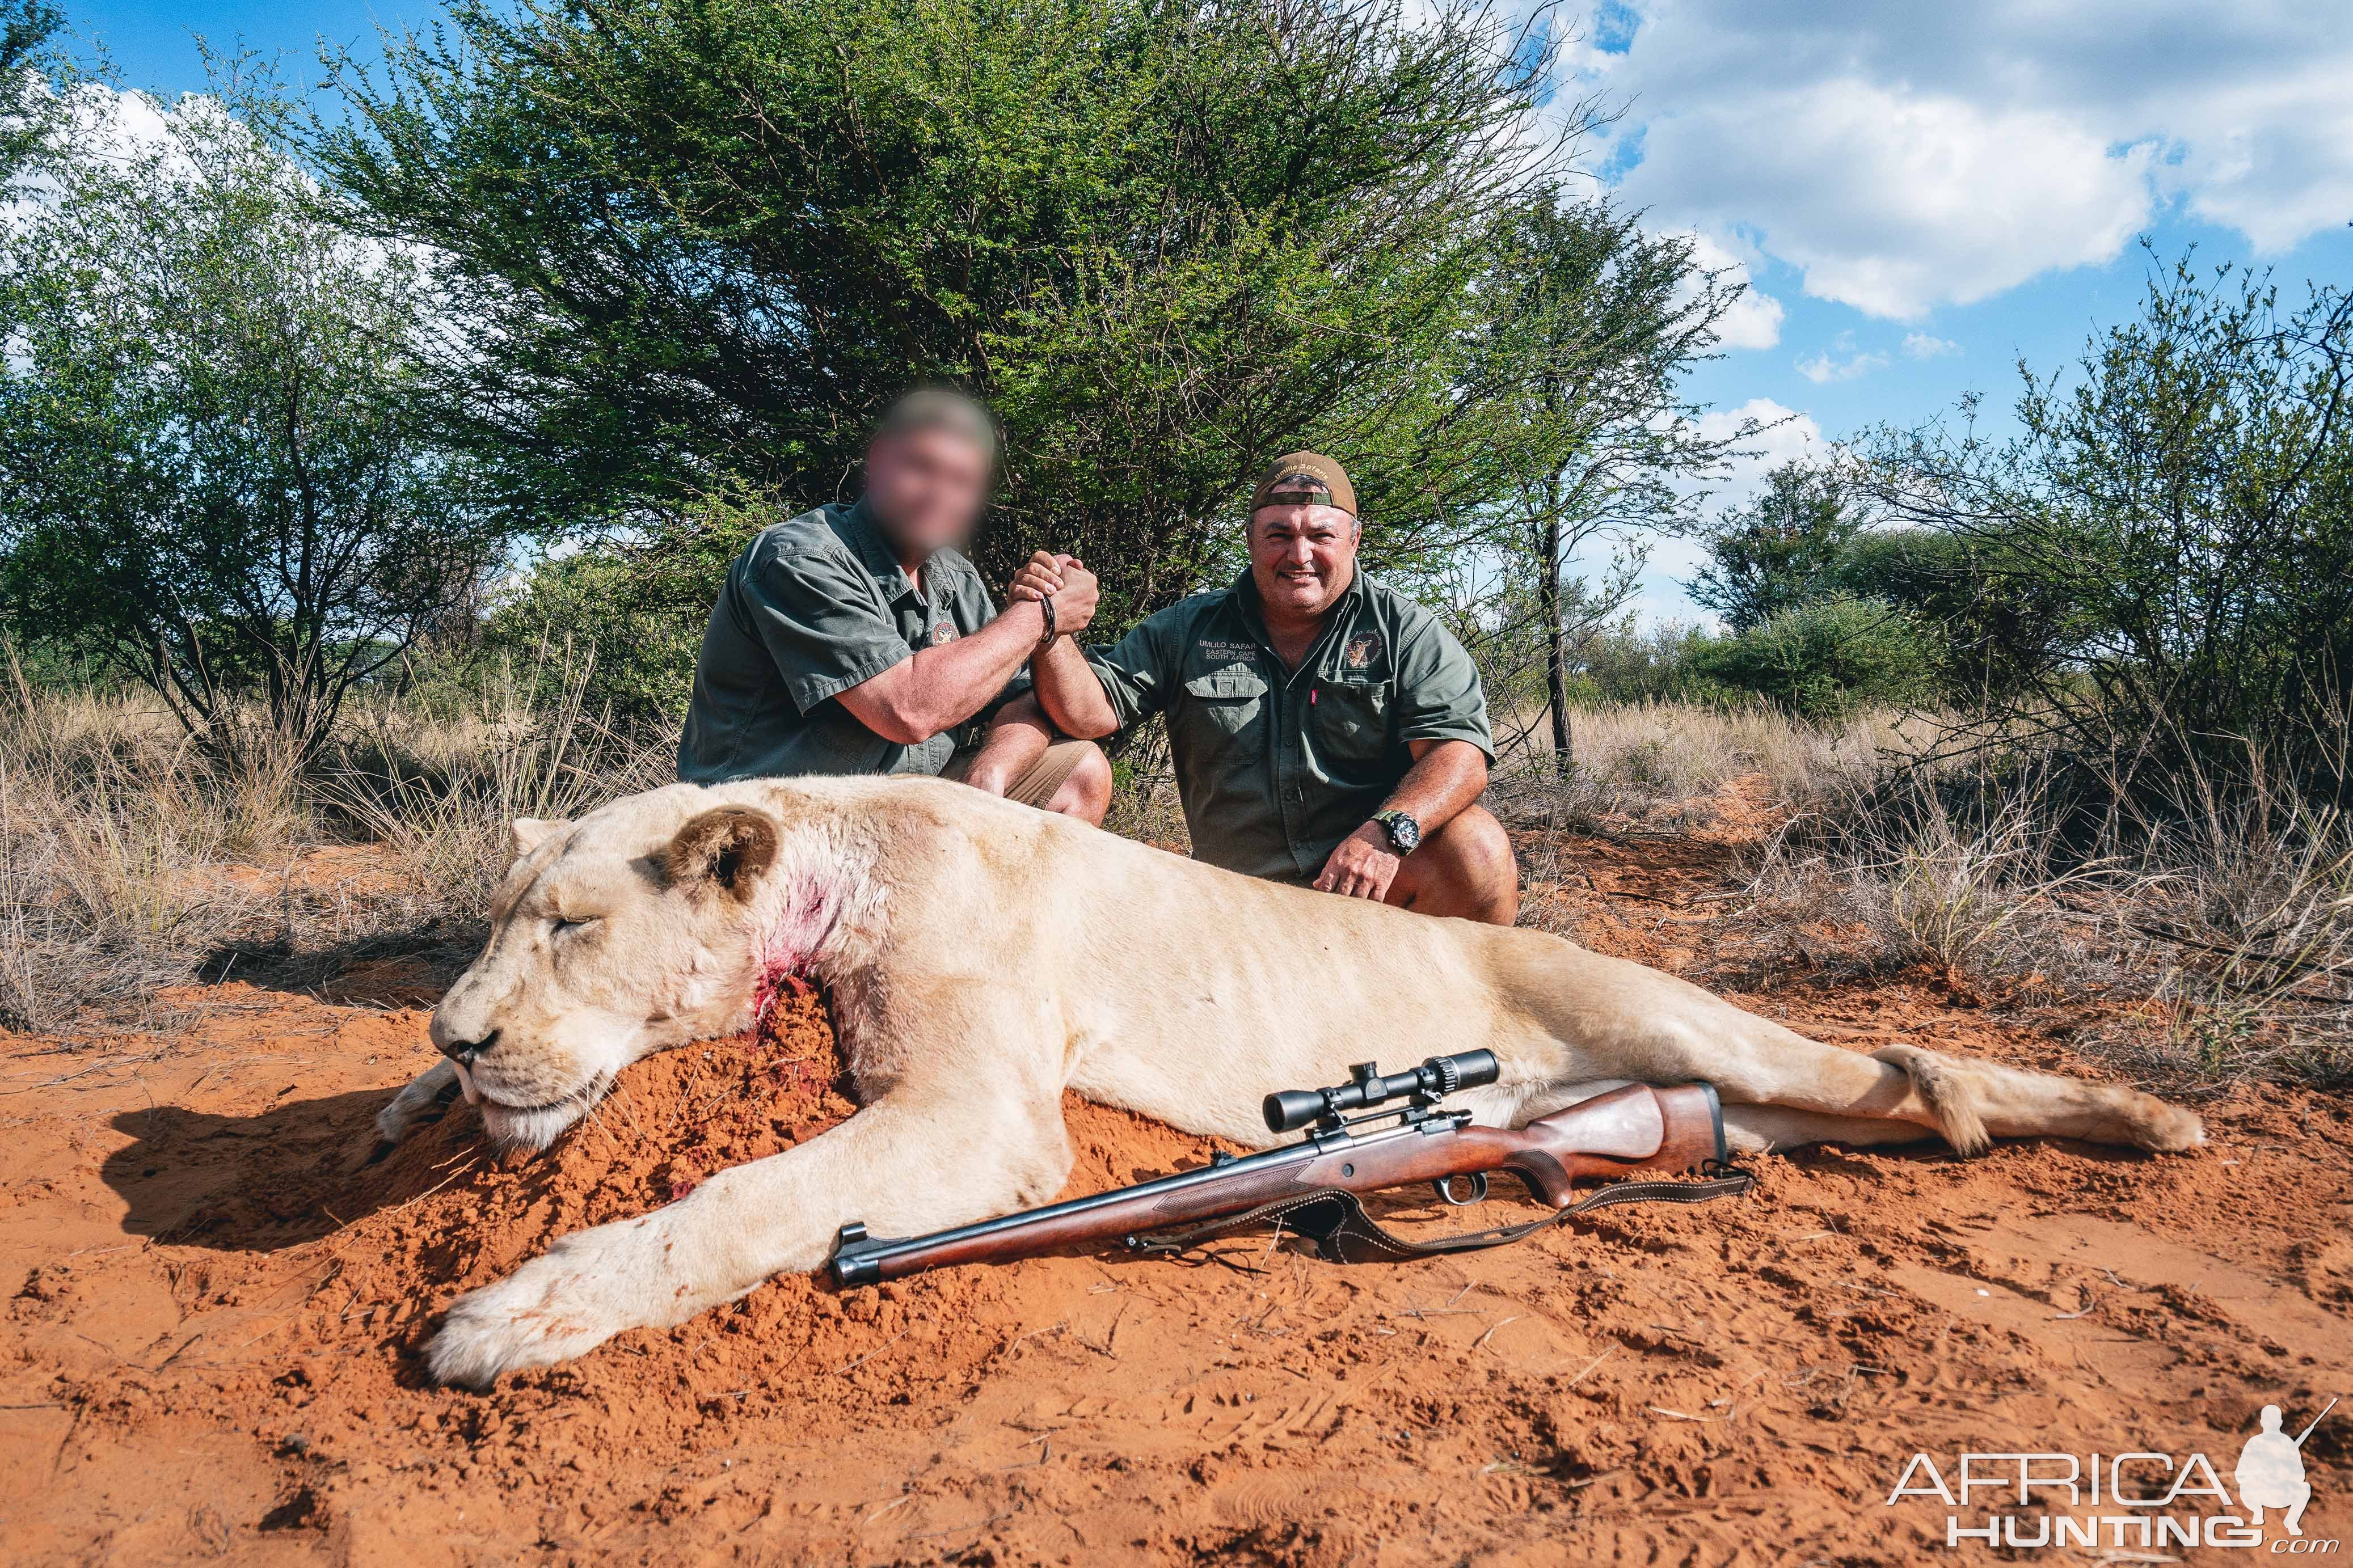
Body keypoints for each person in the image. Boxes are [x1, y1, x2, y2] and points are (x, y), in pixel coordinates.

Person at [1022, 451, 1517, 922]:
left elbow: (1459, 755)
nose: (1299, 554)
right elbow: (1089, 712)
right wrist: (1050, 624)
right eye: (1279, 533)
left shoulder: (1405, 631)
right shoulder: (1187, 628)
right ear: (1250, 538)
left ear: (1354, 539)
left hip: (1360, 894)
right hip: (1231, 902)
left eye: (1320, 535)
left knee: (1477, 848)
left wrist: (1385, 834)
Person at [677, 387, 1111, 821]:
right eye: (921, 468)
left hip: (895, 812)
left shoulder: (955, 575)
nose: (939, 494)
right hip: (776, 822)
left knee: (1081, 771)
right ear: (878, 461)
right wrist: (1042, 615)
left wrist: (993, 767)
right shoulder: (799, 559)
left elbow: (1023, 700)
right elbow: (908, 709)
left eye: (962, 482)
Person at [2236, 1403, 2318, 1536]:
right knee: (2245, 1488)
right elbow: (2241, 1474)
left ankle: (2291, 1521)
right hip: (2259, 1493)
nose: (2271, 1423)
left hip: (2281, 1492)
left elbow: (2300, 1474)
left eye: (2274, 1420)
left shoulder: (2287, 1443)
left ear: (2280, 1422)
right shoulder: (2254, 1442)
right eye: (2268, 1420)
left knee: (2304, 1488)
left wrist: (2284, 1473)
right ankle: (2257, 1513)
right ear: (2262, 1422)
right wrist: (2259, 1474)